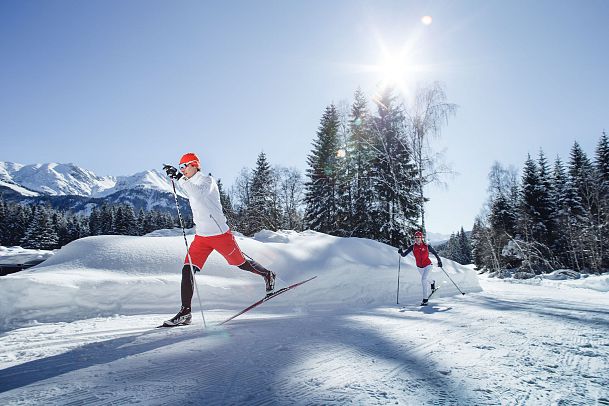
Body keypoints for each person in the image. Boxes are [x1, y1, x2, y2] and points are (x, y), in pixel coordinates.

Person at [161, 152, 276, 326]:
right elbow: (190, 192)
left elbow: (198, 195)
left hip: (220, 235)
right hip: (201, 238)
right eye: (180, 166)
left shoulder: (207, 181)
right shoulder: (189, 183)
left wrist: (178, 177)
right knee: (187, 270)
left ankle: (268, 274)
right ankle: (185, 312)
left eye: (185, 165)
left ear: (195, 165)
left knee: (241, 263)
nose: (182, 169)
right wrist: (176, 178)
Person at [398, 230, 443, 306]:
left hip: (428, 265)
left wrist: (439, 261)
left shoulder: (426, 246)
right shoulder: (412, 247)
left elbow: (435, 253)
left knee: (423, 279)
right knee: (427, 278)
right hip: (419, 267)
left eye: (418, 237)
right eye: (416, 237)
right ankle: (432, 282)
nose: (417, 238)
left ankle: (425, 299)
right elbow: (404, 255)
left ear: (421, 237)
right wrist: (400, 252)